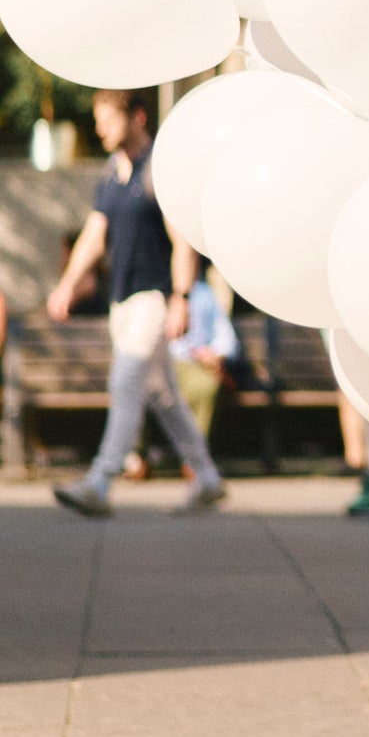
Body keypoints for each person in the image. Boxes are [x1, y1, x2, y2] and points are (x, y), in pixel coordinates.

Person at [48, 89, 226, 518]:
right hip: (121, 303)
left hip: (154, 298)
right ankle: (208, 479)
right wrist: (67, 284)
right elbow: (94, 234)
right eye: (99, 119)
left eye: (109, 118)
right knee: (165, 398)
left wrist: (181, 297)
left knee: (124, 381)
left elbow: (183, 242)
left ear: (138, 117)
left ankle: (100, 481)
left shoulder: (158, 172)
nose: (100, 128)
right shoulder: (112, 173)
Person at [168, 263, 240, 446]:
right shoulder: (158, 289)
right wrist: (193, 352)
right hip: (166, 362)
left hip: (197, 367)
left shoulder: (205, 293)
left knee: (207, 385)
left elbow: (227, 338)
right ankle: (137, 458)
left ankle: (194, 453)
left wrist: (214, 354)